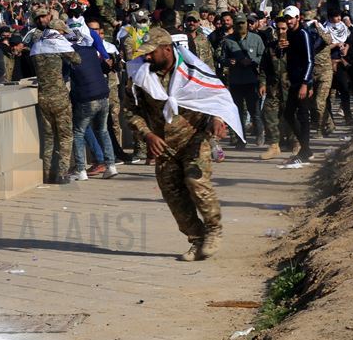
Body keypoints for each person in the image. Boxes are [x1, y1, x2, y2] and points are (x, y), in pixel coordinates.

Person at [122, 28, 229, 261]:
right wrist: (147, 134)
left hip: (194, 137)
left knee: (196, 180)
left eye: (152, 53)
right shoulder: (140, 76)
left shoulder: (192, 71)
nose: (147, 57)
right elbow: (130, 111)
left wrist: (217, 119)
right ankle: (196, 239)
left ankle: (213, 230)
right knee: (173, 194)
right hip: (163, 144)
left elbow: (214, 97)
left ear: (167, 49)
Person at [31, 20, 81, 184]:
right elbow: (77, 60)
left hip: (43, 96)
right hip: (59, 96)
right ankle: (62, 173)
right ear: (59, 31)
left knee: (49, 137)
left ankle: (47, 174)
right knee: (65, 136)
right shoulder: (59, 44)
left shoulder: (37, 46)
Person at [68, 25, 118, 181]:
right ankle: (111, 166)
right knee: (102, 130)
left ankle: (81, 170)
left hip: (87, 97)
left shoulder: (71, 55)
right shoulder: (91, 51)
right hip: (103, 95)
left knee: (78, 132)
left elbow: (65, 74)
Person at [221, 14, 265, 148]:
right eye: (238, 23)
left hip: (252, 80)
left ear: (247, 24)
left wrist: (252, 62)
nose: (241, 26)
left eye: (243, 23)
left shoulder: (256, 39)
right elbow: (221, 57)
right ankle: (241, 139)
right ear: (234, 25)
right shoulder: (228, 40)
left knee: (255, 111)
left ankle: (259, 134)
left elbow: (263, 57)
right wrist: (229, 61)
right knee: (238, 112)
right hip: (236, 81)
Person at [281, 6, 314, 164]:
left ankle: (305, 150)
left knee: (302, 116)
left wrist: (305, 84)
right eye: (287, 18)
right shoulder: (290, 34)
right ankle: (306, 149)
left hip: (302, 82)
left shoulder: (303, 34)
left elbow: (309, 61)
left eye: (291, 18)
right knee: (288, 114)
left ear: (298, 18)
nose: (289, 21)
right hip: (294, 81)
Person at [259, 16, 292, 160]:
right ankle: (274, 145)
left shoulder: (295, 46)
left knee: (292, 116)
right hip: (274, 89)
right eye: (278, 29)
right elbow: (264, 68)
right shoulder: (271, 47)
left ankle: (296, 144)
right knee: (269, 115)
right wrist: (262, 83)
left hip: (291, 88)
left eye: (283, 28)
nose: (281, 31)